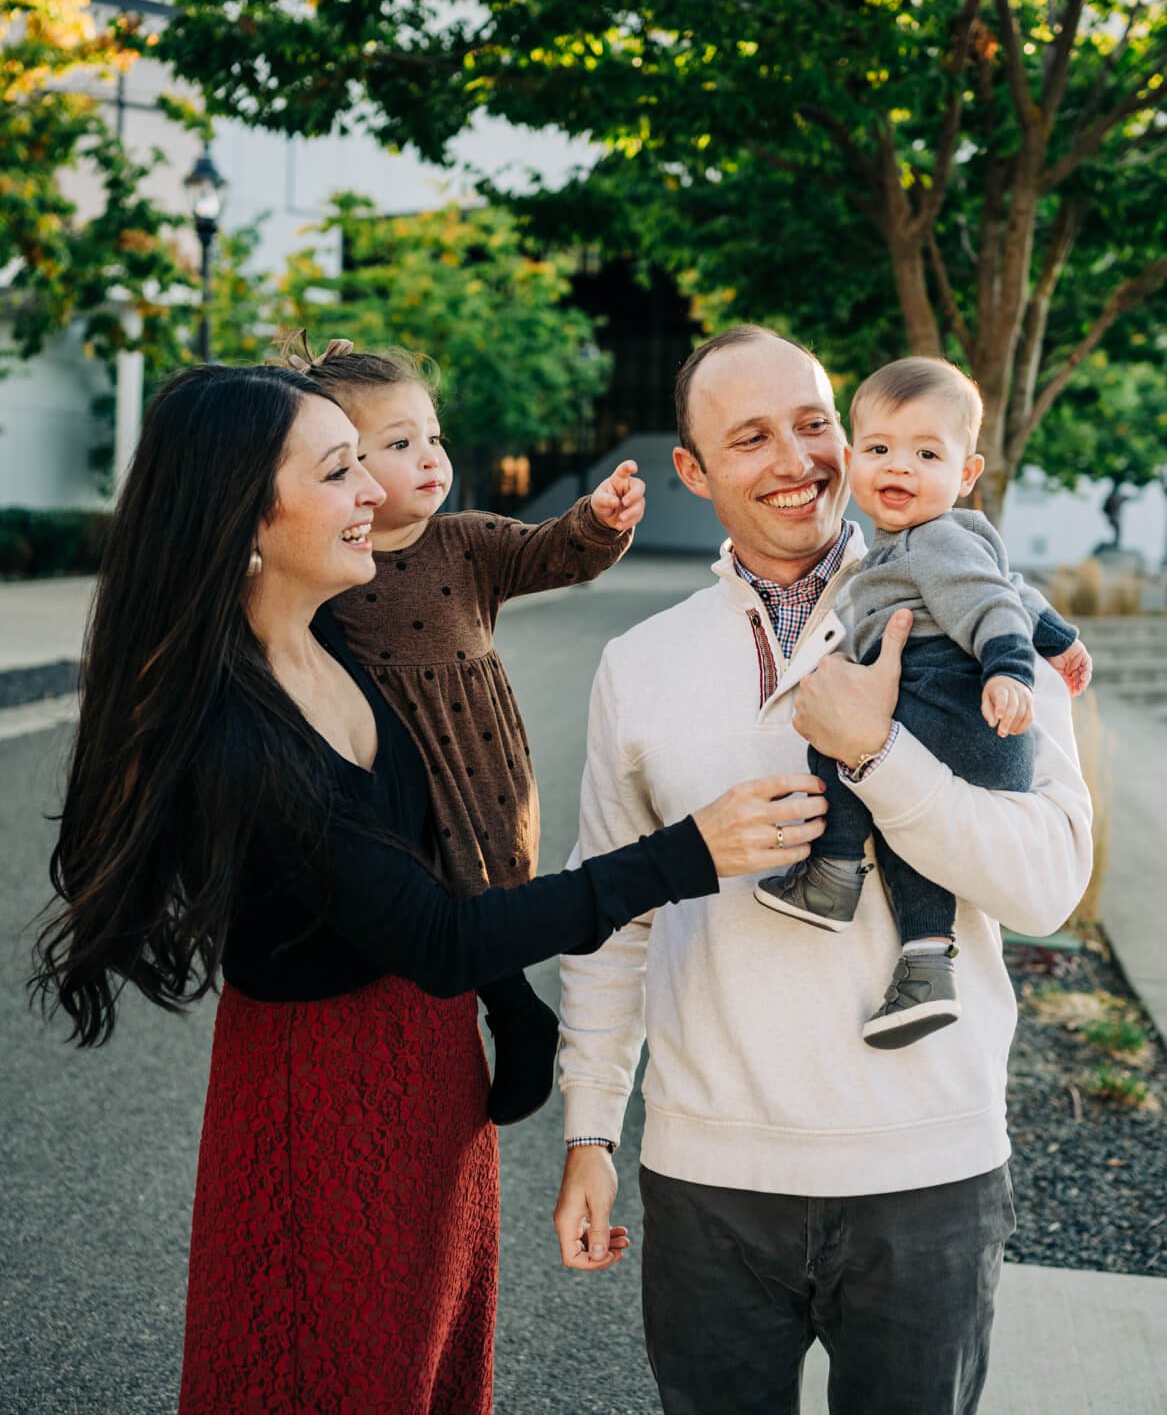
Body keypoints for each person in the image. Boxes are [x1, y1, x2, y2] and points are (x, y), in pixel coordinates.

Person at [30, 362, 828, 1415]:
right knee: (334, 1370)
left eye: (371, 461)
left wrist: (511, 1009)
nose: (377, 491)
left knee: (430, 1360)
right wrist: (686, 853)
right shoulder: (237, 729)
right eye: (341, 470)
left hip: (432, 1069)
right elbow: (435, 931)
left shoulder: (332, 640)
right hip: (322, 1103)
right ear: (248, 520)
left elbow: (442, 865)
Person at [554, 326, 1092, 1415]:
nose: (797, 459)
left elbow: (1047, 889)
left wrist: (879, 757)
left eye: (814, 424)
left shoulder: (987, 604)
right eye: (751, 437)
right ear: (694, 472)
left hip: (927, 1167)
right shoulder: (643, 663)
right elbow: (615, 917)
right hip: (711, 1174)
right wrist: (590, 1128)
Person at [288, 332, 643, 1123]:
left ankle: (514, 1010)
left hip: (474, 753)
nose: (430, 458)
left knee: (483, 880)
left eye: (434, 438)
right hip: (390, 763)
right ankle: (498, 1009)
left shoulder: (467, 541)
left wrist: (597, 519)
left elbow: (551, 554)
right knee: (410, 890)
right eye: (399, 443)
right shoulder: (324, 562)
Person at [755, 356, 1093, 1048]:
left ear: (965, 474)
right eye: (879, 449)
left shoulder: (933, 537)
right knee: (912, 832)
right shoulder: (929, 545)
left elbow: (991, 603)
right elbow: (1010, 586)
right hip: (967, 729)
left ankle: (833, 872)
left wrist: (1011, 670)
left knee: (836, 730)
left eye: (926, 453)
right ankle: (924, 965)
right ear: (851, 461)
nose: (898, 467)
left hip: (960, 708)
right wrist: (1058, 638)